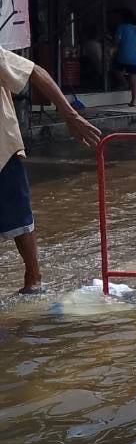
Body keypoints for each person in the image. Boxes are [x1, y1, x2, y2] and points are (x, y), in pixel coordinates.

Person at [1, 44, 101, 294]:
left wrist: (71, 116)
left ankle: (34, 278)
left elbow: (35, 71)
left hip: (1, 150)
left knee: (18, 217)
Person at [112, 11, 136, 106]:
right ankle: (133, 101)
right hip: (135, 59)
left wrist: (115, 46)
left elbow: (117, 41)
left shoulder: (121, 27)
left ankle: (124, 83)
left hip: (123, 56)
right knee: (134, 80)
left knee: (115, 70)